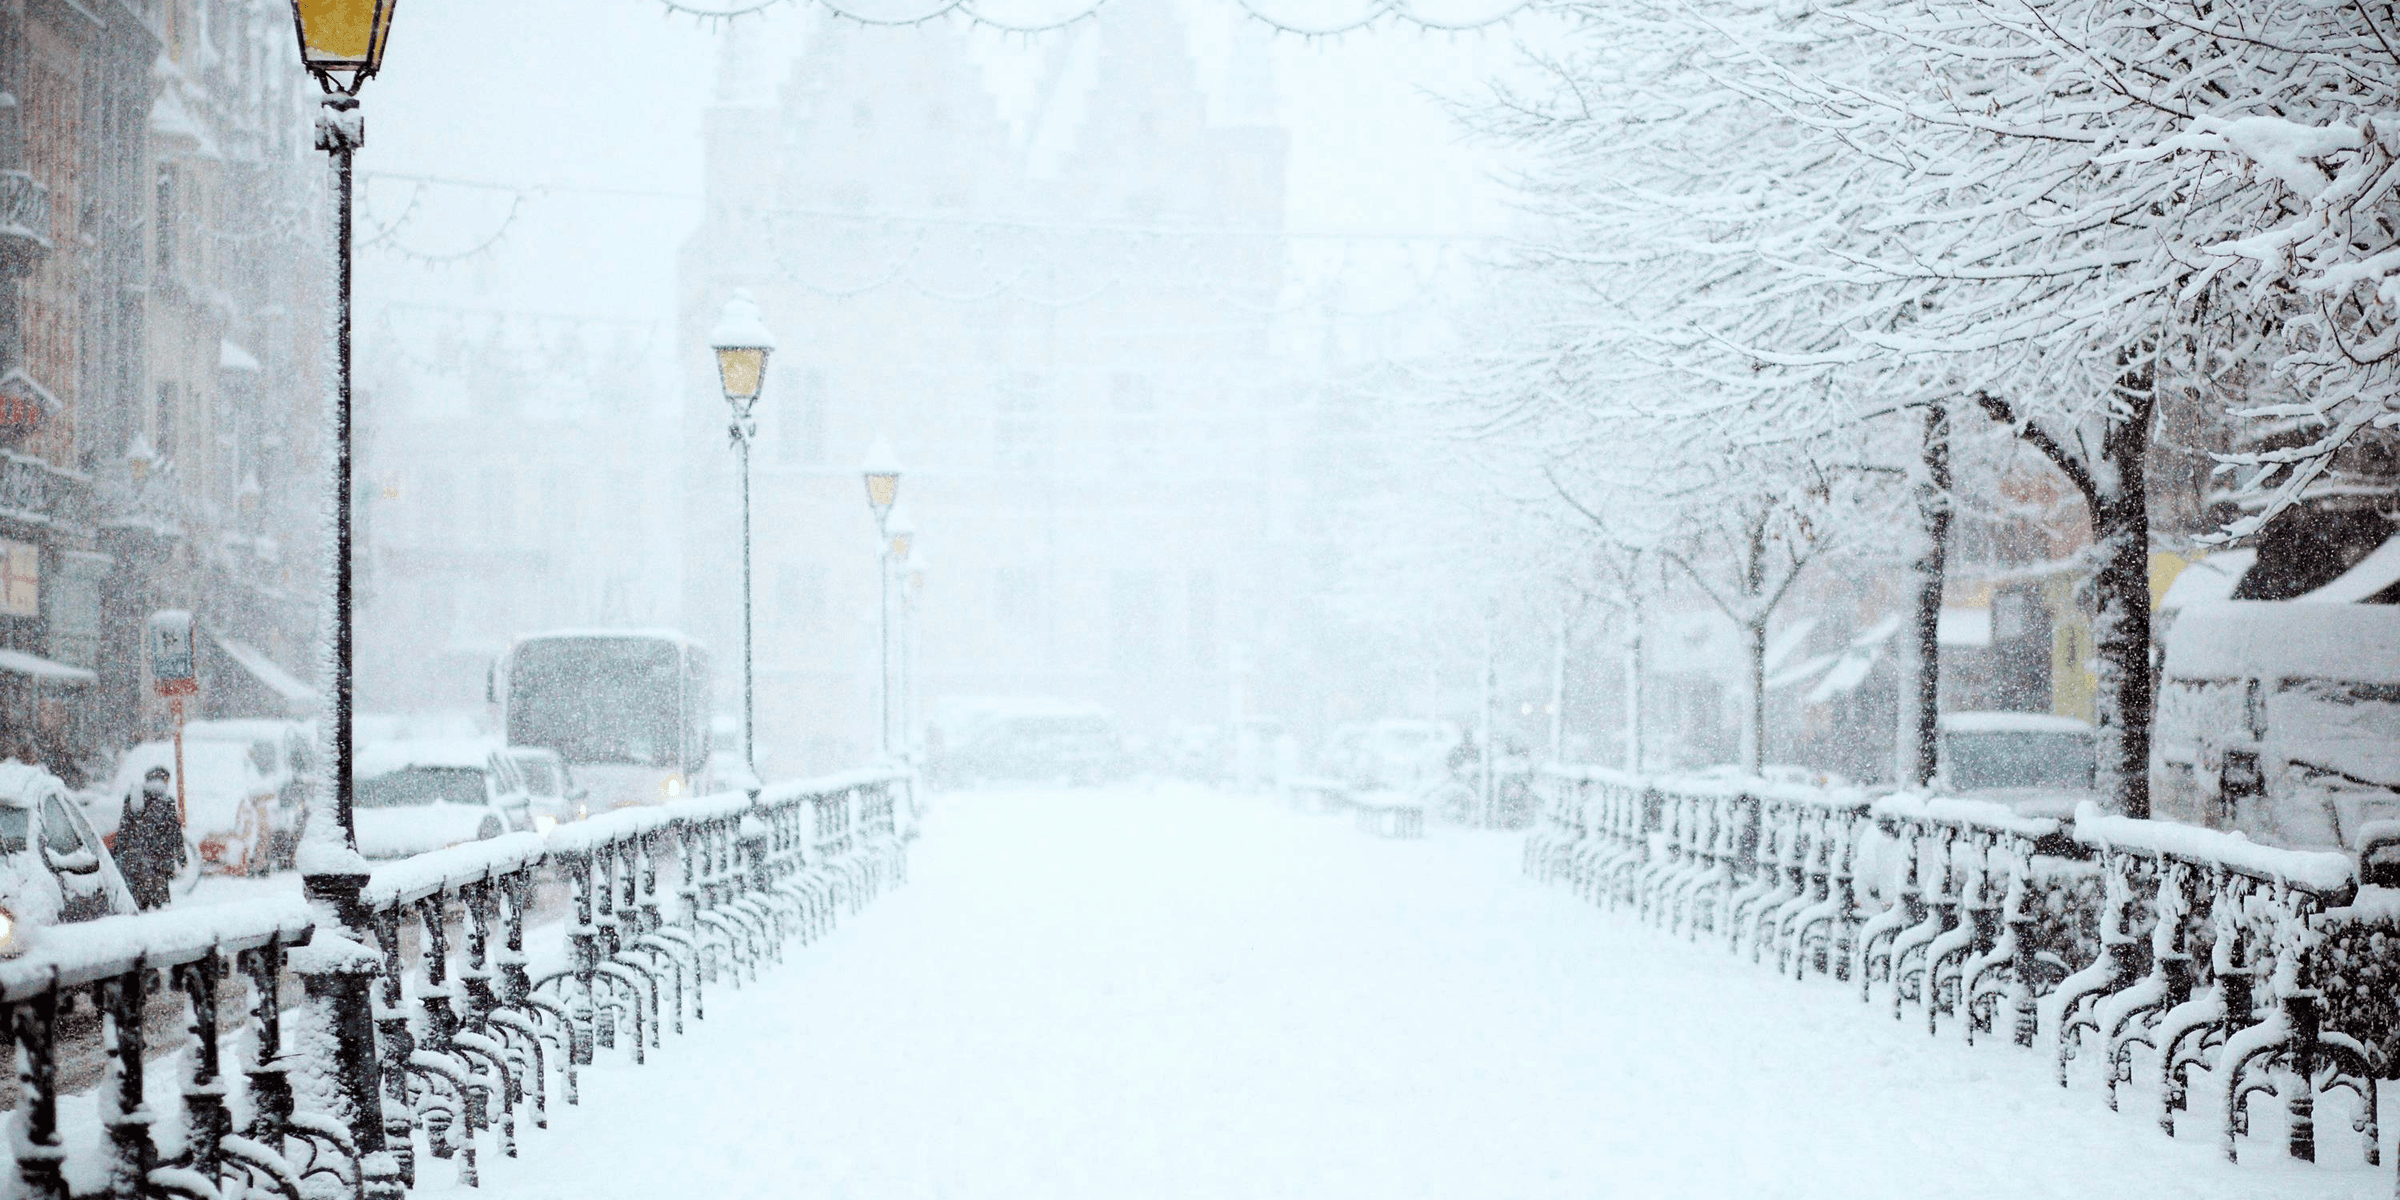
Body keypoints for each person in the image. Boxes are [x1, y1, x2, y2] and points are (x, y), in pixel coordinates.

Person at [118, 765, 185, 910]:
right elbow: (174, 833)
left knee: (138, 904)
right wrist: (181, 857)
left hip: (136, 862)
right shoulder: (167, 802)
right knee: (161, 905)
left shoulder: (133, 798)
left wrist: (123, 854)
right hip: (160, 862)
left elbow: (124, 829)